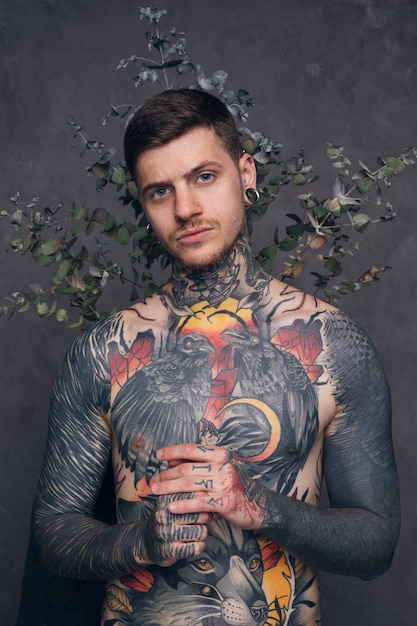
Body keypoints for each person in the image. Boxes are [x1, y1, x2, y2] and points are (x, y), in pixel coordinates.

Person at [32, 88, 400, 626]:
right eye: (161, 191)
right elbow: (53, 530)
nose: (186, 209)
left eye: (204, 177)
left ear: (246, 174)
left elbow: (377, 543)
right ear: (144, 204)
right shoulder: (103, 352)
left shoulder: (333, 346)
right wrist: (140, 542)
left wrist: (261, 505)